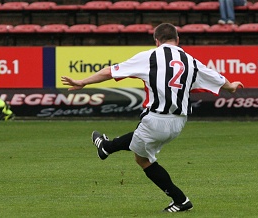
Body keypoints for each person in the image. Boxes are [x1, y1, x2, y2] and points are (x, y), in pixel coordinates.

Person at [61, 23, 244, 213]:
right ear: (178, 40)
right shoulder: (190, 60)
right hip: (179, 122)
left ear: (156, 41)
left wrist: (82, 82)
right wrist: (231, 86)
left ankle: (180, 200)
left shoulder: (150, 56)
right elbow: (216, 78)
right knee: (142, 154)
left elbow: (111, 71)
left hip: (157, 117)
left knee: (143, 160)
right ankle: (107, 148)